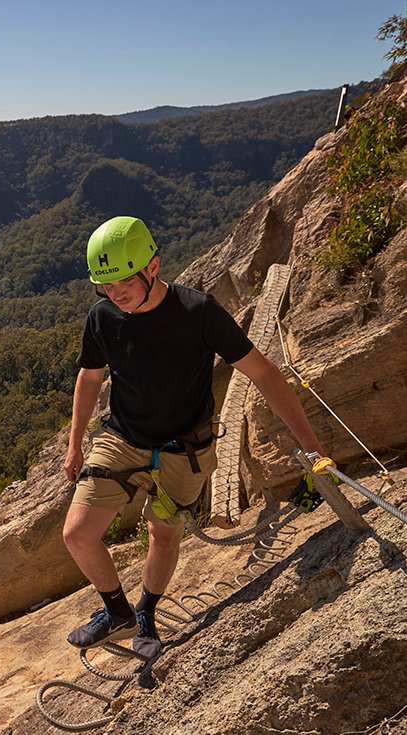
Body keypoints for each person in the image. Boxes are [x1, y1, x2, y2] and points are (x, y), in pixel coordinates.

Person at [62, 216, 328, 659]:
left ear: (153, 267)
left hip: (184, 447)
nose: (115, 294)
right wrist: (74, 443)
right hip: (124, 437)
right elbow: (89, 378)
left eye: (123, 282)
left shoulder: (197, 312)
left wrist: (310, 442)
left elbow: (264, 374)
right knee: (77, 534)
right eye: (105, 287)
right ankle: (117, 612)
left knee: (163, 534)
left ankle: (146, 612)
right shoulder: (103, 317)